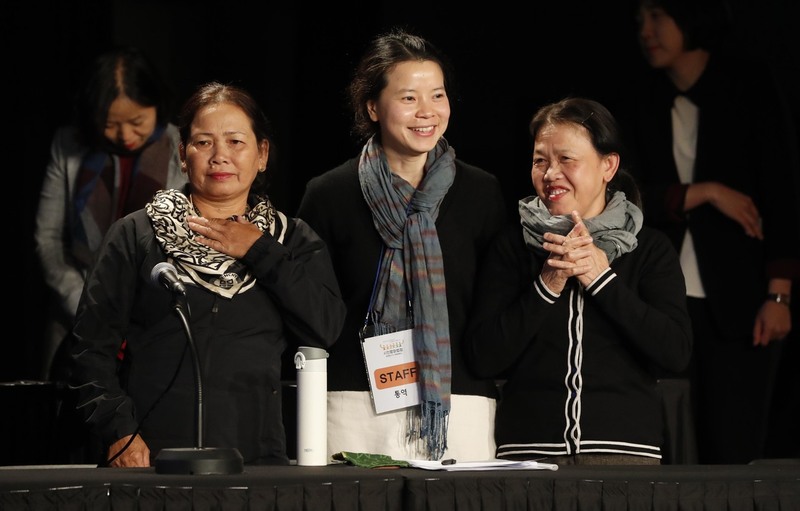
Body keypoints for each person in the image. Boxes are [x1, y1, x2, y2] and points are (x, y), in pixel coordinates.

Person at [68, 81, 347, 467]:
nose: (219, 157)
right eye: (203, 142)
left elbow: (325, 327)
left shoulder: (292, 239)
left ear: (262, 154)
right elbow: (89, 348)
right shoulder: (135, 234)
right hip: (151, 457)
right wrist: (120, 433)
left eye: (236, 142)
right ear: (183, 155)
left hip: (256, 459)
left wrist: (259, 250)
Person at [296, 28, 508, 462]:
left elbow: (491, 308)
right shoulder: (328, 194)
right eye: (409, 97)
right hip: (354, 405)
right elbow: (311, 310)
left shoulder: (481, 192)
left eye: (437, 95)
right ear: (372, 106)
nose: (426, 111)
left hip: (456, 405)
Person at [464, 97, 693, 465]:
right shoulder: (512, 246)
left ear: (608, 165)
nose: (551, 173)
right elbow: (483, 357)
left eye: (566, 159)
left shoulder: (650, 248)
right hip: (528, 456)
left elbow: (675, 352)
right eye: (541, 160)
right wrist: (547, 284)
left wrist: (601, 279)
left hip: (624, 456)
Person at [622, 0, 800, 463]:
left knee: (735, 445)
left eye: (658, 16)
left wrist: (779, 295)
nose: (647, 31)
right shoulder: (642, 97)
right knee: (669, 445)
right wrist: (703, 192)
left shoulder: (748, 85)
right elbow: (626, 192)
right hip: (665, 300)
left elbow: (782, 191)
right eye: (640, 20)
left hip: (742, 300)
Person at [35, 46, 188, 381]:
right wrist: (87, 306)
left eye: (137, 122)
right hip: (75, 314)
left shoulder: (183, 149)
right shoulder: (70, 145)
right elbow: (48, 240)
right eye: (110, 124)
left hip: (154, 320)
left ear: (156, 104)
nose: (125, 136)